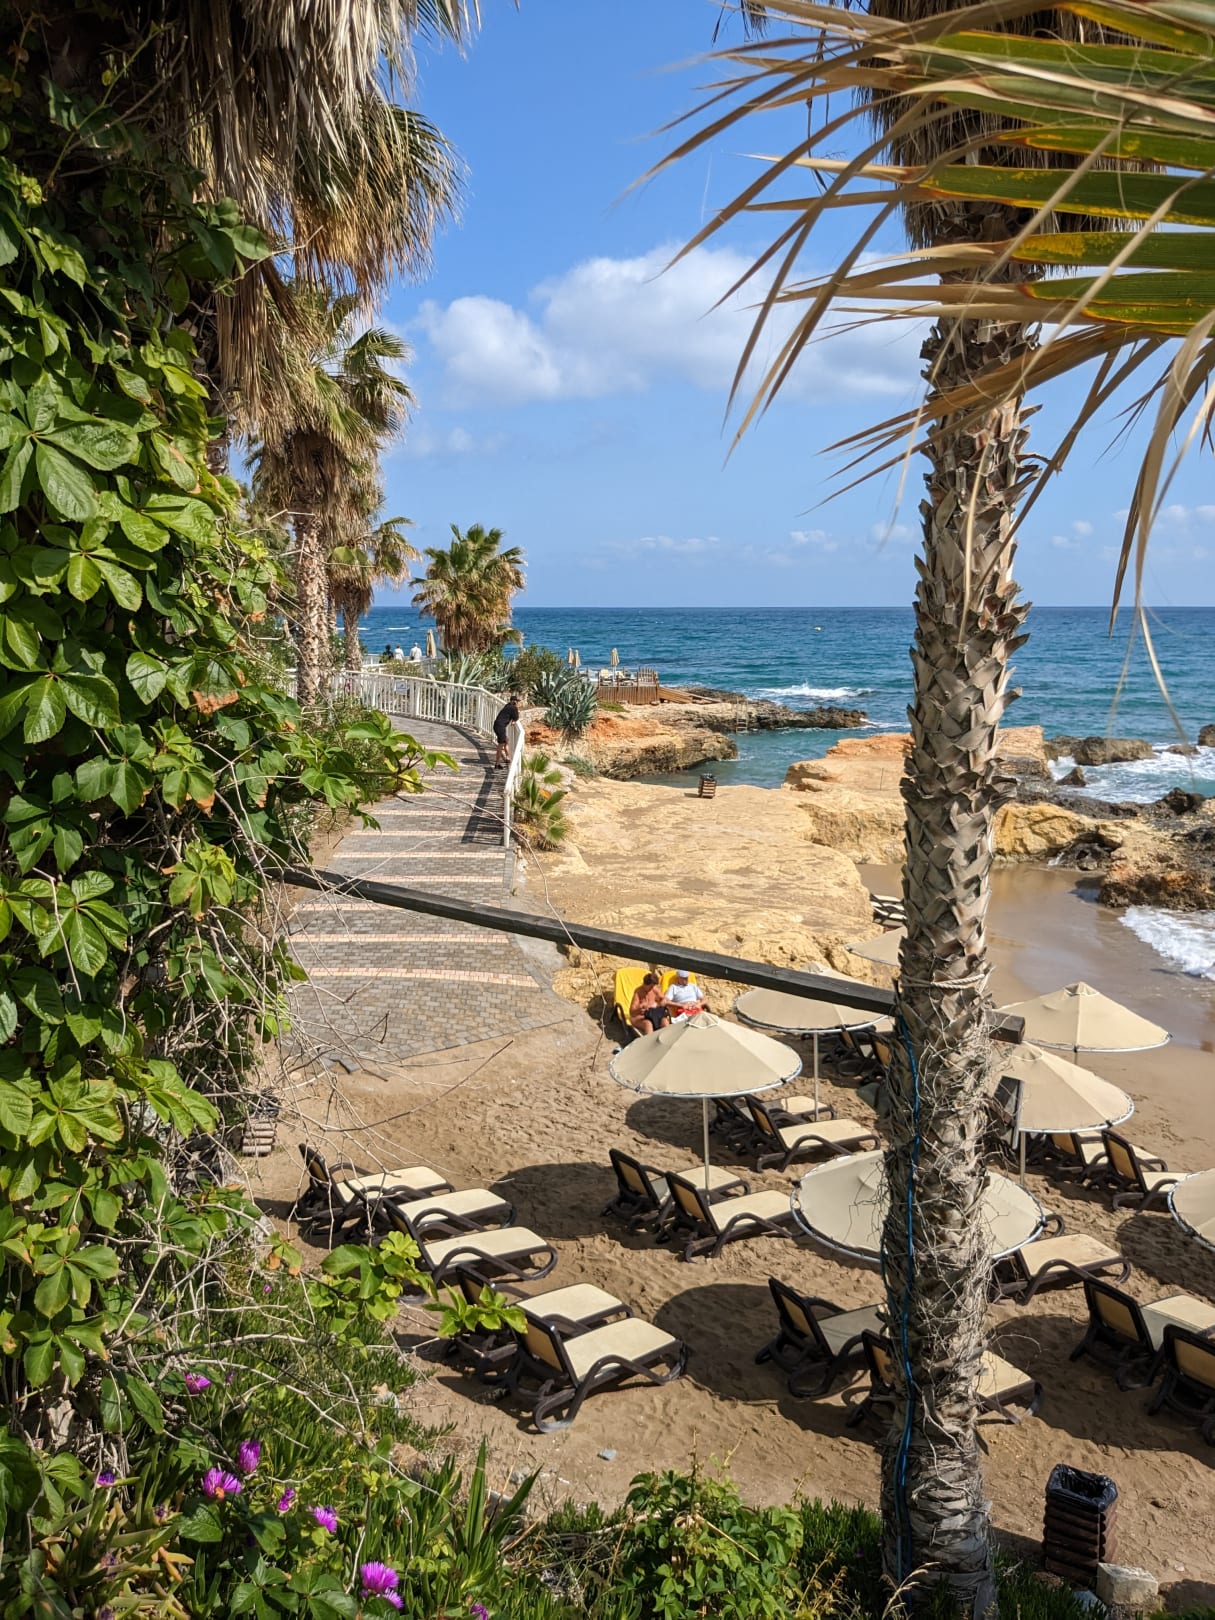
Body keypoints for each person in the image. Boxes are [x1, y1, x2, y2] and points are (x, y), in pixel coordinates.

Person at [629, 973, 670, 1037]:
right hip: (641, 1017)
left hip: (654, 1015)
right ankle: (650, 1042)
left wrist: (662, 1001)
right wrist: (640, 1008)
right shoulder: (638, 992)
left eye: (653, 986)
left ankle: (668, 1040)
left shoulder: (654, 989)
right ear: (645, 984)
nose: (652, 988)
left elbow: (665, 999)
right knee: (648, 1024)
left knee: (665, 1021)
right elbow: (632, 1012)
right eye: (651, 987)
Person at [493, 693, 520, 768]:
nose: (517, 703)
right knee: (501, 744)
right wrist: (514, 719)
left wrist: (513, 720)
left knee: (506, 740)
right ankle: (497, 764)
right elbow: (516, 717)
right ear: (514, 702)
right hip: (500, 727)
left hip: (497, 725)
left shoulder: (507, 705)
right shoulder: (513, 708)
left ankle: (508, 758)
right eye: (516, 701)